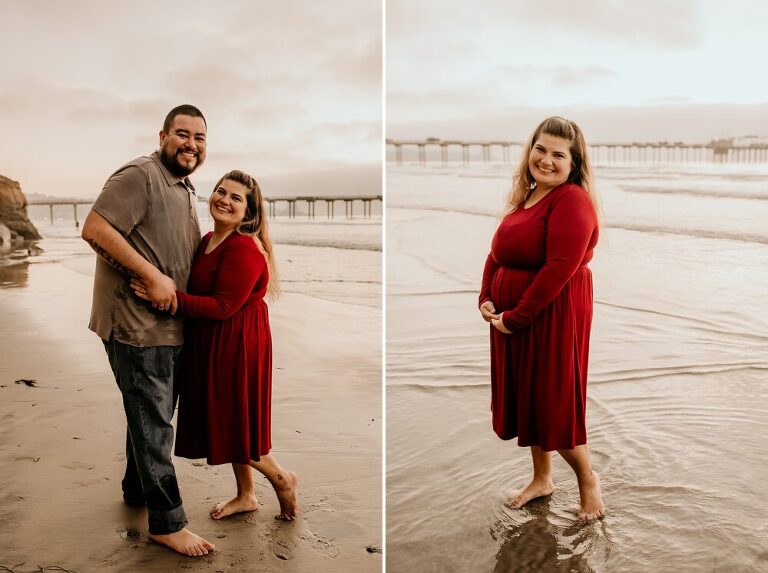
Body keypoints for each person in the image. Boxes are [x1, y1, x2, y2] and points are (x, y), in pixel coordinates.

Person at [81, 104, 215, 556]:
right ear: (162, 135)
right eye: (182, 134)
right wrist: (154, 277)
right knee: (155, 421)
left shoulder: (184, 187)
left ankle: (136, 490)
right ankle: (166, 520)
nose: (191, 144)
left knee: (147, 412)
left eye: (199, 137)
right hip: (137, 327)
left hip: (168, 327)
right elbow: (96, 227)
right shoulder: (140, 175)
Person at [132, 170, 299, 521]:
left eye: (236, 198)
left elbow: (223, 307)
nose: (225, 199)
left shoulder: (243, 248)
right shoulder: (209, 238)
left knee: (229, 423)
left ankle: (282, 479)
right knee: (234, 417)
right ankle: (246, 495)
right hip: (216, 337)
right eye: (221, 192)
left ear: (249, 211)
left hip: (237, 342)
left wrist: (168, 297)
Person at [478, 116, 605, 522]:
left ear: (574, 163)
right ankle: (542, 479)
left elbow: (559, 268)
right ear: (529, 149)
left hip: (552, 313)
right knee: (530, 399)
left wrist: (517, 317)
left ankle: (589, 483)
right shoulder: (525, 197)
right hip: (514, 317)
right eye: (540, 149)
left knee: (553, 402)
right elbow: (496, 253)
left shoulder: (572, 200)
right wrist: (485, 297)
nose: (546, 160)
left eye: (558, 154)